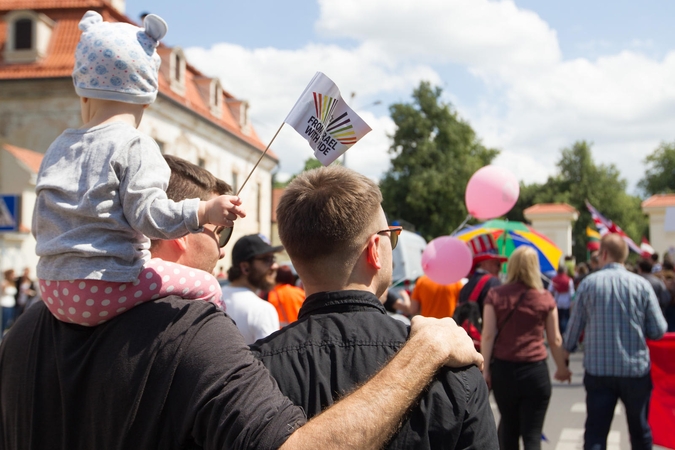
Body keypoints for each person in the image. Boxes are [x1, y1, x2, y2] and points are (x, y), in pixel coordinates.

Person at [0, 155, 484, 450]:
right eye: (220, 228)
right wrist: (424, 352)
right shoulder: (191, 330)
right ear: (172, 231)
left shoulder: (25, 329)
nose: (226, 249)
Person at [250, 165, 498, 449]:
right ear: (374, 251)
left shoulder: (253, 372)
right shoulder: (453, 369)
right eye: (390, 236)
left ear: (295, 260)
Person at [32, 11, 245, 327]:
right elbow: (152, 218)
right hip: (103, 287)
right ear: (147, 97)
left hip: (50, 287)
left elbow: (41, 221)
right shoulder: (135, 145)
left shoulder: (59, 146)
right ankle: (209, 336)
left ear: (83, 91)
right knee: (207, 285)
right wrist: (203, 211)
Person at [564, 234, 667, 450]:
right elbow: (658, 330)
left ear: (603, 254)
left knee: (596, 434)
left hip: (599, 372)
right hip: (635, 371)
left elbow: (573, 331)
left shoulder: (588, 284)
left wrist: (566, 353)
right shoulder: (641, 285)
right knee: (640, 432)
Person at [481, 246, 572, 450]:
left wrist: (485, 369)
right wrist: (562, 368)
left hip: (504, 371)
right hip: (535, 371)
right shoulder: (545, 298)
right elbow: (555, 338)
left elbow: (488, 335)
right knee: (532, 434)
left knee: (508, 431)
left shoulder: (495, 295)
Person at [221, 235, 282, 343]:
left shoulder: (215, 298)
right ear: (245, 267)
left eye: (273, 259)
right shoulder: (262, 310)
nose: (275, 266)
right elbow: (267, 358)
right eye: (267, 259)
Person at [548, 264, 575, 333]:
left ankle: (559, 332)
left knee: (558, 319)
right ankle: (565, 333)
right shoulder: (569, 280)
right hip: (567, 303)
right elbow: (572, 293)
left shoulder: (554, 280)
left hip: (557, 302)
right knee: (565, 319)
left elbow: (550, 291)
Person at [1, 270, 17, 335]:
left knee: (10, 322)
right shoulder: (4, 283)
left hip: (11, 305)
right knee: (4, 322)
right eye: (12, 274)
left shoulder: (12, 283)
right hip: (5, 305)